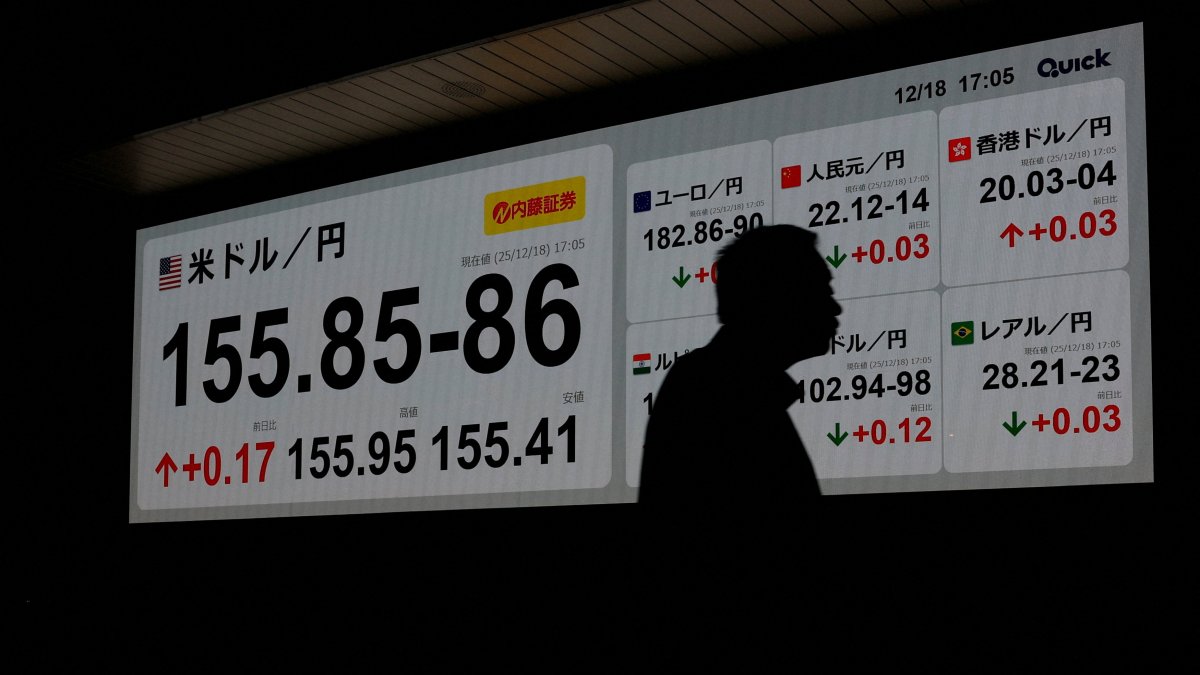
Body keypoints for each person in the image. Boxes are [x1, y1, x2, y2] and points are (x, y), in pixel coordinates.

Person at [639, 225, 840, 538]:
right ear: (779, 296)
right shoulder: (718, 395)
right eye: (822, 291)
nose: (835, 307)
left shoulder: (716, 384)